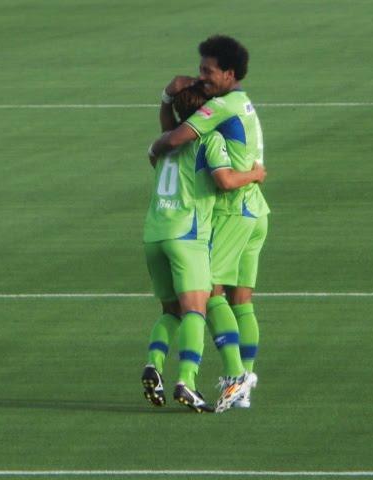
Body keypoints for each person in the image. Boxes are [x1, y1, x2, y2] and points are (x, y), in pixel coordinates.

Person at [148, 35, 270, 413]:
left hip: (232, 210)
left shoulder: (219, 107)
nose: (200, 77)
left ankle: (235, 375)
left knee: (211, 294)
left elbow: (175, 138)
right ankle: (243, 384)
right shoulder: (242, 101)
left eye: (207, 71)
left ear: (229, 74)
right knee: (242, 301)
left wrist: (157, 141)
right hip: (255, 210)